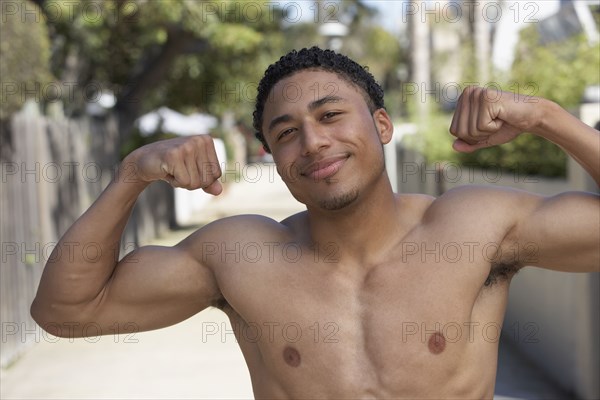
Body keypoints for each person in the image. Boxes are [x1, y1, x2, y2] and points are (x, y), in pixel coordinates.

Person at [31, 47, 599, 399]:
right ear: (273, 158)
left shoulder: (473, 229)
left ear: (381, 125)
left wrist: (548, 118)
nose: (313, 142)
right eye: (285, 133)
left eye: (330, 115)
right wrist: (131, 175)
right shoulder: (240, 255)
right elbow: (67, 311)